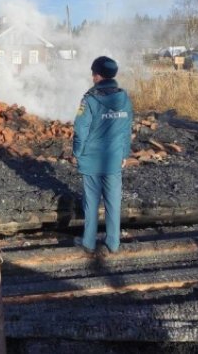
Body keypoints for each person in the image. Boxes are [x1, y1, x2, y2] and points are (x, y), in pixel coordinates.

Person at [72, 56, 133, 255]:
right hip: (114, 159)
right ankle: (113, 243)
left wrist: (77, 153)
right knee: (113, 203)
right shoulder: (124, 98)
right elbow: (126, 129)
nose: (91, 78)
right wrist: (124, 153)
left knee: (91, 204)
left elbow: (81, 129)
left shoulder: (89, 100)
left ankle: (89, 243)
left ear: (98, 75)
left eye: (93, 74)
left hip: (92, 159)